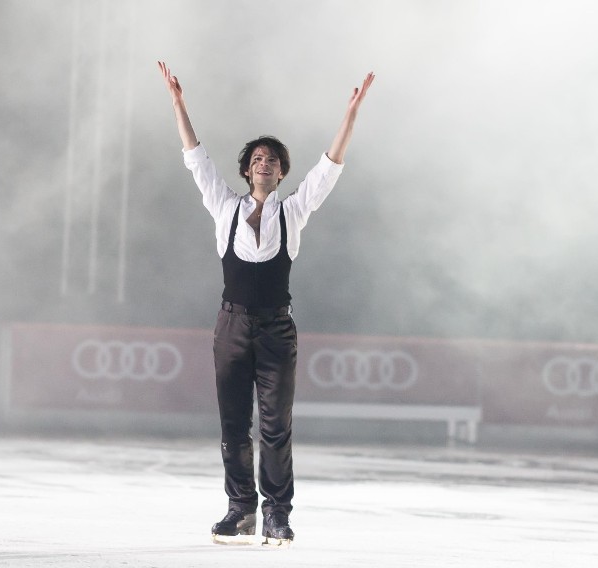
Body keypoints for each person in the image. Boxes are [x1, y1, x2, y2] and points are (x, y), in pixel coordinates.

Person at [157, 61, 374, 544]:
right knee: (235, 425)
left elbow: (329, 169)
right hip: (230, 329)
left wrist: (351, 114)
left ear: (280, 173)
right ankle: (241, 509)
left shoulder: (293, 210)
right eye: (256, 158)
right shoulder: (224, 206)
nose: (264, 163)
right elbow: (195, 158)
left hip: (276, 330)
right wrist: (178, 104)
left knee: (276, 427)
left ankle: (277, 512)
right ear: (246, 170)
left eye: (272, 159)